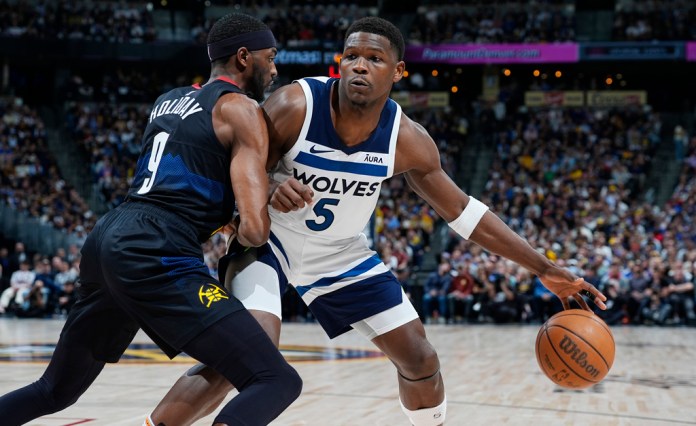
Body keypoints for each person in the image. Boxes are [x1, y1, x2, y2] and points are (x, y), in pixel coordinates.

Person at [149, 17, 607, 425]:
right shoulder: (296, 105)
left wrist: (546, 269)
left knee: (421, 359)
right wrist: (268, 185)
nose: (359, 66)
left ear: (398, 71)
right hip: (271, 245)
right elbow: (233, 157)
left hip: (342, 256)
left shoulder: (407, 139)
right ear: (339, 63)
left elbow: (465, 214)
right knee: (245, 354)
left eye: (374, 58)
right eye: (351, 56)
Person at [0, 13, 302, 426]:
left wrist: (222, 210)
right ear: (245, 57)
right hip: (157, 248)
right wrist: (263, 205)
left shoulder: (168, 99)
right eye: (270, 57)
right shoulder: (241, 110)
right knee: (276, 379)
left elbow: (186, 175)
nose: (275, 68)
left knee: (54, 390)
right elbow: (253, 229)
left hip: (109, 235)